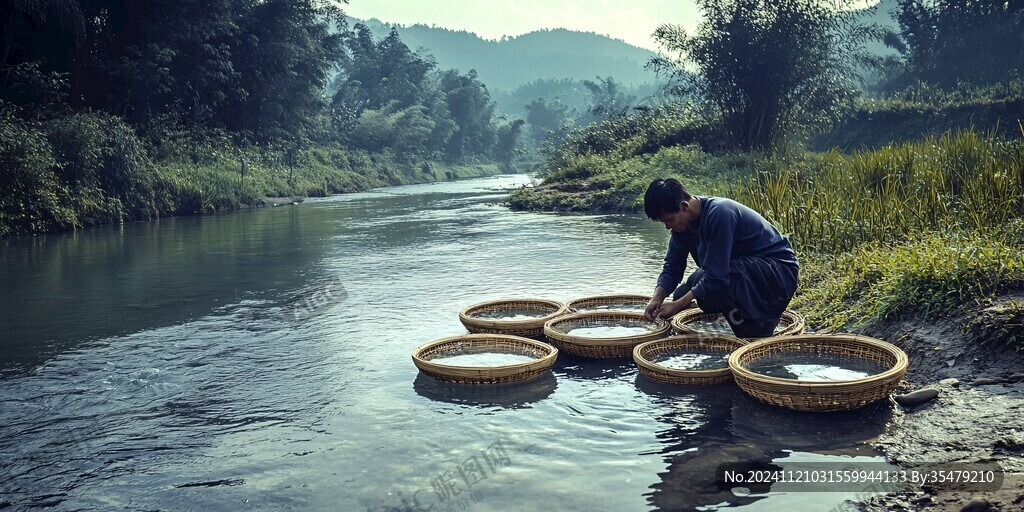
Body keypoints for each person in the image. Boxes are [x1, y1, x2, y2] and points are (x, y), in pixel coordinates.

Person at [641, 178, 799, 338]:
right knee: (683, 292)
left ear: (684, 206)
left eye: (669, 220)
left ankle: (757, 326)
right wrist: (657, 298)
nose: (668, 226)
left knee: (705, 283)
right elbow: (672, 268)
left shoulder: (720, 214)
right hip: (743, 271)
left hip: (778, 273)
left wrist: (677, 305)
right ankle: (736, 313)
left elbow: (717, 275)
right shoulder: (681, 227)